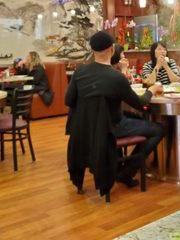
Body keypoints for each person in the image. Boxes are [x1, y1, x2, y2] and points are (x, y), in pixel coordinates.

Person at [66, 31, 164, 187]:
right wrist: (152, 89)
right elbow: (141, 104)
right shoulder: (116, 77)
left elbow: (68, 100)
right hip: (110, 129)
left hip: (83, 129)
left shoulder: (79, 72)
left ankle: (120, 168)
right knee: (158, 129)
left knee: (132, 118)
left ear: (92, 50)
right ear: (112, 49)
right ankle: (126, 172)